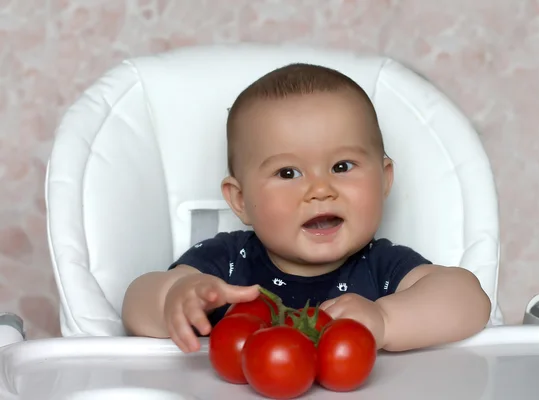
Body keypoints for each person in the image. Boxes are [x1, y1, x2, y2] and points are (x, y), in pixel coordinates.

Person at [121, 63, 491, 354]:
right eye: (288, 172)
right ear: (239, 200)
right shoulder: (227, 264)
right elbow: (136, 305)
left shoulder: (382, 268)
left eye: (342, 167)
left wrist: (385, 320)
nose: (319, 190)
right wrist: (173, 297)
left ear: (384, 179)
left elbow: (468, 300)